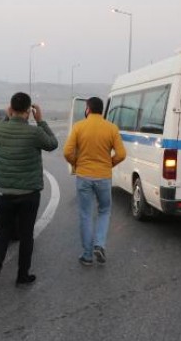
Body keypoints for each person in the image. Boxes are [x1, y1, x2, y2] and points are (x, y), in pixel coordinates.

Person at [0, 92, 58, 287]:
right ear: (29, 111)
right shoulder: (34, 133)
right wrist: (41, 121)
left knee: (4, 230)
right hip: (28, 194)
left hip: (5, 192)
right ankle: (22, 276)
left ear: (10, 109)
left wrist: (9, 117)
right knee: (26, 235)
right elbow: (53, 144)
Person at [63, 97, 126, 266]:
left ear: (88, 109)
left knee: (85, 214)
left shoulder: (79, 126)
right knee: (104, 211)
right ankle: (99, 244)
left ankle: (87, 255)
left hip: (84, 176)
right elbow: (121, 154)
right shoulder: (111, 128)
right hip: (104, 177)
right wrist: (109, 164)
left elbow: (67, 152)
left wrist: (77, 163)